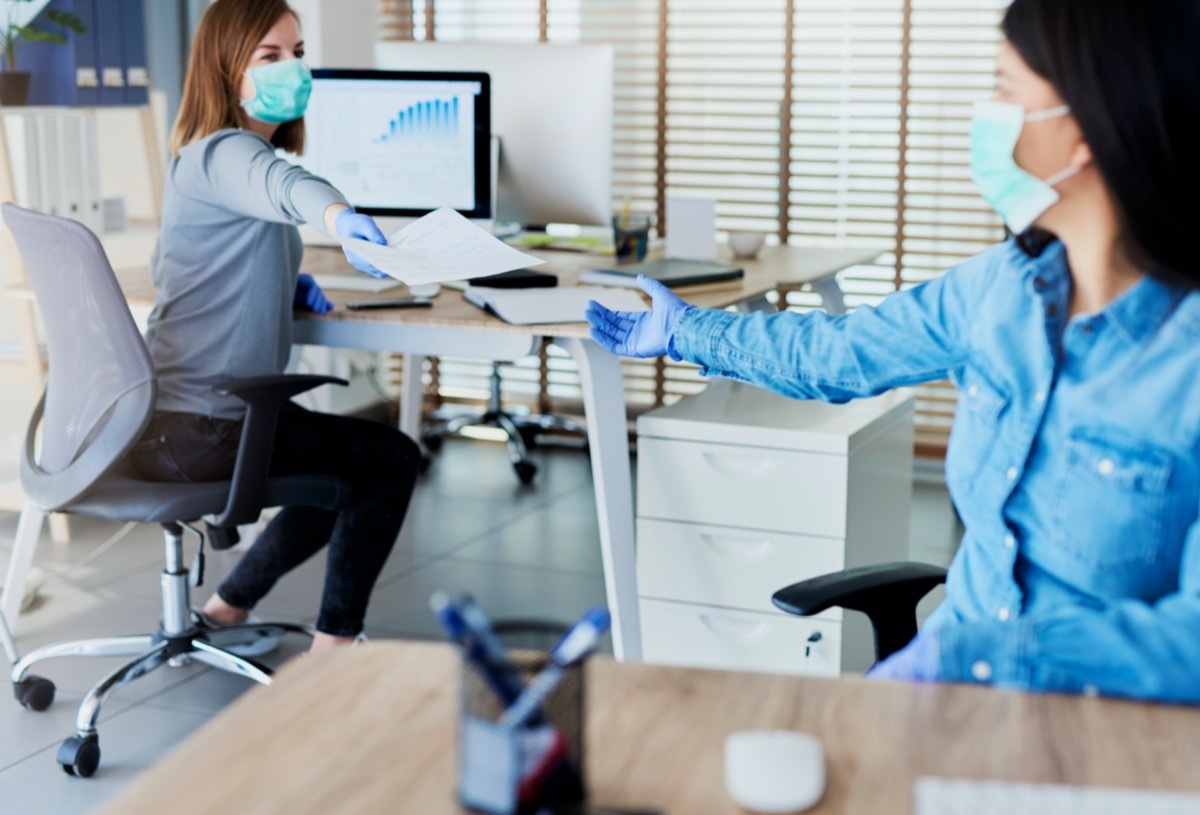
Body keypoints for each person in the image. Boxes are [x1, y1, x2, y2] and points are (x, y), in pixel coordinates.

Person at [587, 0, 1200, 704]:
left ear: (1085, 127)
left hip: (1102, 738)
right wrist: (687, 331)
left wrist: (978, 656)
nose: (985, 115)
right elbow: (843, 353)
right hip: (952, 706)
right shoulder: (1004, 287)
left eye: (1005, 90)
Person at [129, 0, 421, 652]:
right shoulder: (226, 153)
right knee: (391, 460)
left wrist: (283, 282)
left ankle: (227, 607)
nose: (293, 67)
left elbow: (185, 268)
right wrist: (341, 220)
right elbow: (284, 183)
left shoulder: (197, 162)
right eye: (270, 55)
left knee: (345, 467)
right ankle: (335, 652)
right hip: (207, 427)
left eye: (297, 52)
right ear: (227, 71)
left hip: (174, 421)